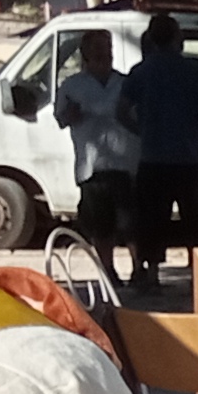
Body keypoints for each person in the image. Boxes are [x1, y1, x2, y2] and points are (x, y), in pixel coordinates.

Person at [119, 13, 198, 286]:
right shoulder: (194, 72)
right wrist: (195, 133)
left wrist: (142, 131)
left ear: (151, 39)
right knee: (196, 220)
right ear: (178, 38)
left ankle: (152, 276)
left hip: (153, 159)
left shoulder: (140, 72)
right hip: (189, 159)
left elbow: (121, 112)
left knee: (151, 221)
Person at [52, 30, 137, 272]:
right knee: (101, 225)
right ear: (85, 53)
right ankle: (108, 271)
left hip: (126, 162)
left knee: (131, 222)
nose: (104, 52)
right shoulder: (72, 85)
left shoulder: (124, 83)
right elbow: (61, 118)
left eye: (107, 47)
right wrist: (74, 114)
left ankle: (138, 269)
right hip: (92, 166)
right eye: (98, 47)